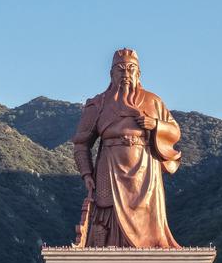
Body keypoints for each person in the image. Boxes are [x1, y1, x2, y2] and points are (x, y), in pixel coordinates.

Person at [72, 48, 181, 248]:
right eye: (120, 69)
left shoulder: (153, 101)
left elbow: (174, 131)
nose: (126, 74)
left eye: (131, 69)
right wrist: (86, 173)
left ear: (138, 73)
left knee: (147, 215)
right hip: (109, 166)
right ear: (111, 74)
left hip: (145, 170)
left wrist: (156, 125)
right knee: (107, 213)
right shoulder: (98, 104)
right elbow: (81, 143)